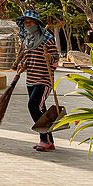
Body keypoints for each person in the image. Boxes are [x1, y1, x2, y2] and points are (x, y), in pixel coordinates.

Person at [16, 10, 59, 151]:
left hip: (44, 79)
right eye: (25, 22)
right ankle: (50, 141)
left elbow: (55, 56)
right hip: (31, 79)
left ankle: (43, 138)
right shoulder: (28, 39)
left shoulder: (47, 38)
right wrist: (22, 64)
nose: (27, 25)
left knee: (33, 106)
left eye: (30, 22)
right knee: (41, 109)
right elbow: (28, 57)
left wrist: (50, 58)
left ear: (37, 23)